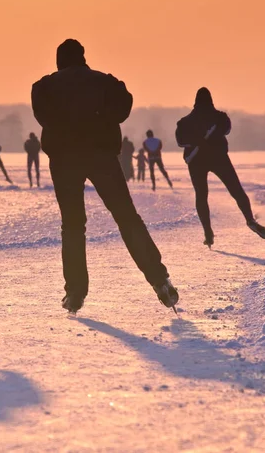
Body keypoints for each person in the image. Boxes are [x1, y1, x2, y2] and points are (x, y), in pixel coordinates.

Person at [31, 39, 178, 314]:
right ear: (83, 58)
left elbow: (44, 117)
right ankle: (160, 280)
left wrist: (68, 126)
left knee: (73, 225)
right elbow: (124, 107)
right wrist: (99, 118)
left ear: (59, 60)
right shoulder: (105, 82)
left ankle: (75, 293)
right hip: (102, 156)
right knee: (126, 217)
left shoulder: (44, 86)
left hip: (64, 160)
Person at [176, 87, 265, 247]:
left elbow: (180, 141)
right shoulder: (220, 117)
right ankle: (250, 220)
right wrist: (211, 134)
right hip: (218, 157)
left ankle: (208, 232)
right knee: (236, 190)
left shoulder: (185, 121)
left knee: (201, 195)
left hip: (196, 161)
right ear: (211, 100)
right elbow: (226, 129)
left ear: (195, 102)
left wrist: (196, 141)